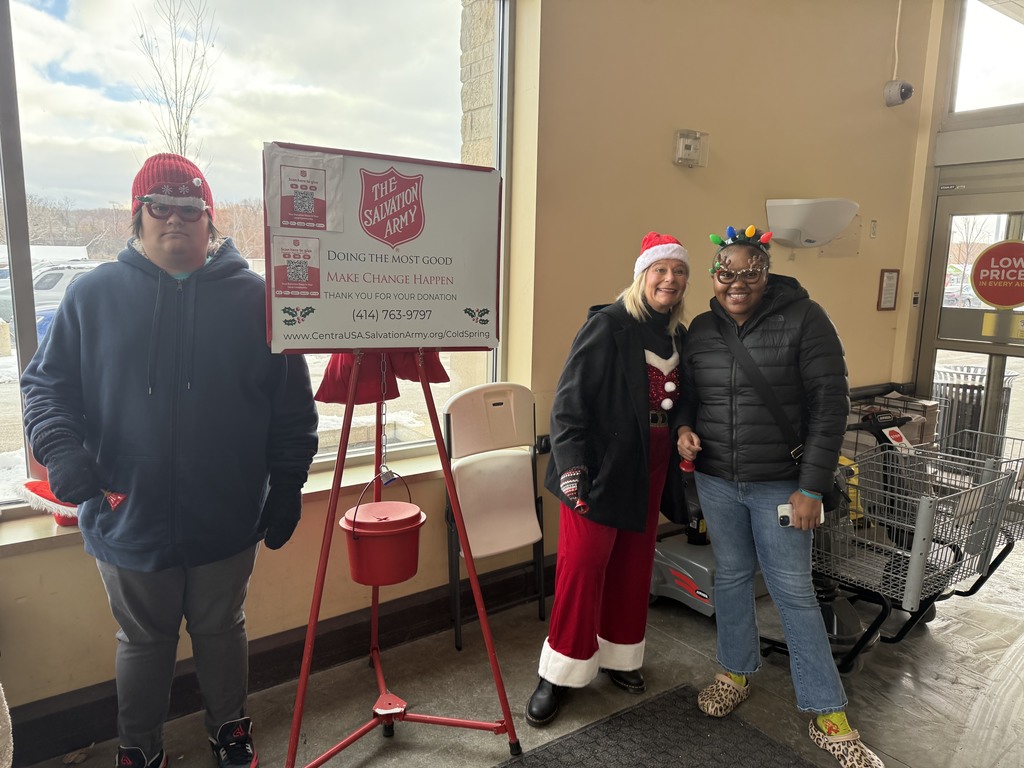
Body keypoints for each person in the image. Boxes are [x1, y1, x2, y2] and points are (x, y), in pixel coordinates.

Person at [20, 153, 319, 768]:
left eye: (191, 208)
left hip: (228, 513)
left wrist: (288, 484)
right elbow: (45, 388)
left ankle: (230, 728)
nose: (176, 219)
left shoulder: (259, 300)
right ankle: (140, 747)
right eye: (161, 207)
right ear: (138, 217)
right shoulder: (92, 295)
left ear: (210, 221)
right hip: (126, 511)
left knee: (221, 628)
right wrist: (61, 451)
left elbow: (292, 408)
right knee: (143, 640)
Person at [674, 224, 884, 768]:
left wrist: (811, 486)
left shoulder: (807, 319)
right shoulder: (699, 329)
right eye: (726, 273)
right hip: (717, 480)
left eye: (749, 272)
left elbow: (830, 407)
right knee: (733, 576)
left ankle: (827, 709)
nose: (736, 283)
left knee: (792, 591)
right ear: (714, 278)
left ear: (765, 274)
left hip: (782, 487)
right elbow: (689, 396)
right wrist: (684, 430)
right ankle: (735, 670)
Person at [526, 231, 689, 726]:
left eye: (679, 272)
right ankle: (559, 670)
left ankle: (620, 655)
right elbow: (569, 403)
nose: (670, 279)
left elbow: (683, 401)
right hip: (600, 466)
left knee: (634, 562)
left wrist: (684, 431)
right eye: (661, 270)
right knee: (583, 565)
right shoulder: (609, 325)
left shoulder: (679, 335)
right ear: (642, 275)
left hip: (654, 462)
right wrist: (573, 468)